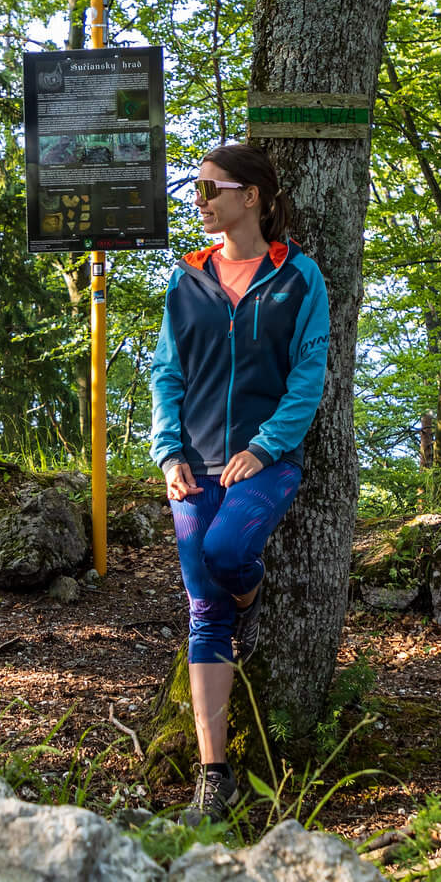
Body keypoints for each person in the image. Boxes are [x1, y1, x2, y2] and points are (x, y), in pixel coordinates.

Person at [149, 142, 331, 825]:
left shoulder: (299, 278)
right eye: (196, 189)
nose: (198, 201)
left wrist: (264, 446)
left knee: (227, 556)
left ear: (250, 196)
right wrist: (168, 454)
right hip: (193, 465)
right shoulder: (186, 280)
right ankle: (214, 777)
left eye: (210, 189)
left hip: (266, 463)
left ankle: (249, 598)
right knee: (204, 609)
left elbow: (308, 375)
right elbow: (167, 373)